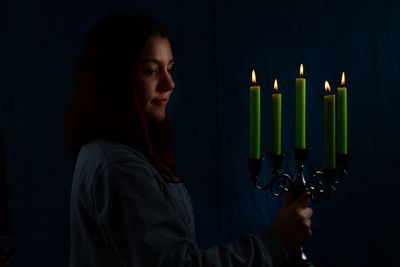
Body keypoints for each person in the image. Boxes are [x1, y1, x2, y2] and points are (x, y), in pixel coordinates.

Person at [64, 12, 313, 267]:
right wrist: (277, 241)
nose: (169, 83)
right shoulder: (118, 167)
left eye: (170, 68)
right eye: (150, 71)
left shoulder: (117, 155)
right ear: (115, 79)